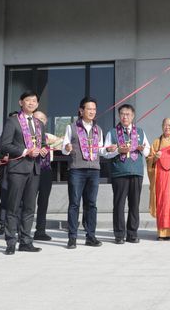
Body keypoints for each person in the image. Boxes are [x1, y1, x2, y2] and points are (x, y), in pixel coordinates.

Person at [0, 91, 48, 255]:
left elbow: (43, 143)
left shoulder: (39, 123)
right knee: (13, 207)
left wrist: (42, 149)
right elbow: (5, 145)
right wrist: (26, 150)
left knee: (29, 207)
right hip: (18, 169)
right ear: (21, 102)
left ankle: (26, 241)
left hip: (34, 169)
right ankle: (10, 242)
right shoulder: (13, 121)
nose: (31, 103)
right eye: (28, 100)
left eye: (34, 101)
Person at [103, 104, 150, 244]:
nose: (125, 117)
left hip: (136, 172)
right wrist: (117, 150)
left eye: (128, 114)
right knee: (119, 204)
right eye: (122, 114)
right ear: (119, 115)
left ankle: (132, 234)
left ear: (133, 116)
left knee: (134, 204)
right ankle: (119, 234)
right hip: (119, 172)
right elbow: (105, 153)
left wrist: (142, 149)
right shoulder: (112, 132)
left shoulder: (140, 132)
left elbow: (148, 151)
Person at [61, 97, 104, 249]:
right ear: (81, 110)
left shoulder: (98, 129)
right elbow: (64, 147)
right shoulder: (71, 127)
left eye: (94, 109)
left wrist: (109, 149)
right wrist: (66, 148)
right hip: (77, 170)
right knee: (74, 203)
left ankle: (90, 236)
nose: (92, 111)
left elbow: (101, 149)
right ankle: (72, 237)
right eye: (89, 109)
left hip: (94, 170)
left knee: (91, 204)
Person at [32, 110, 58, 242]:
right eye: (36, 119)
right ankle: (21, 231)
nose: (39, 121)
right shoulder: (28, 135)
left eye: (42, 119)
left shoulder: (49, 137)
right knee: (28, 202)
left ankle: (40, 230)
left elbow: (62, 142)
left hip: (46, 171)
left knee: (43, 202)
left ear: (46, 121)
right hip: (31, 171)